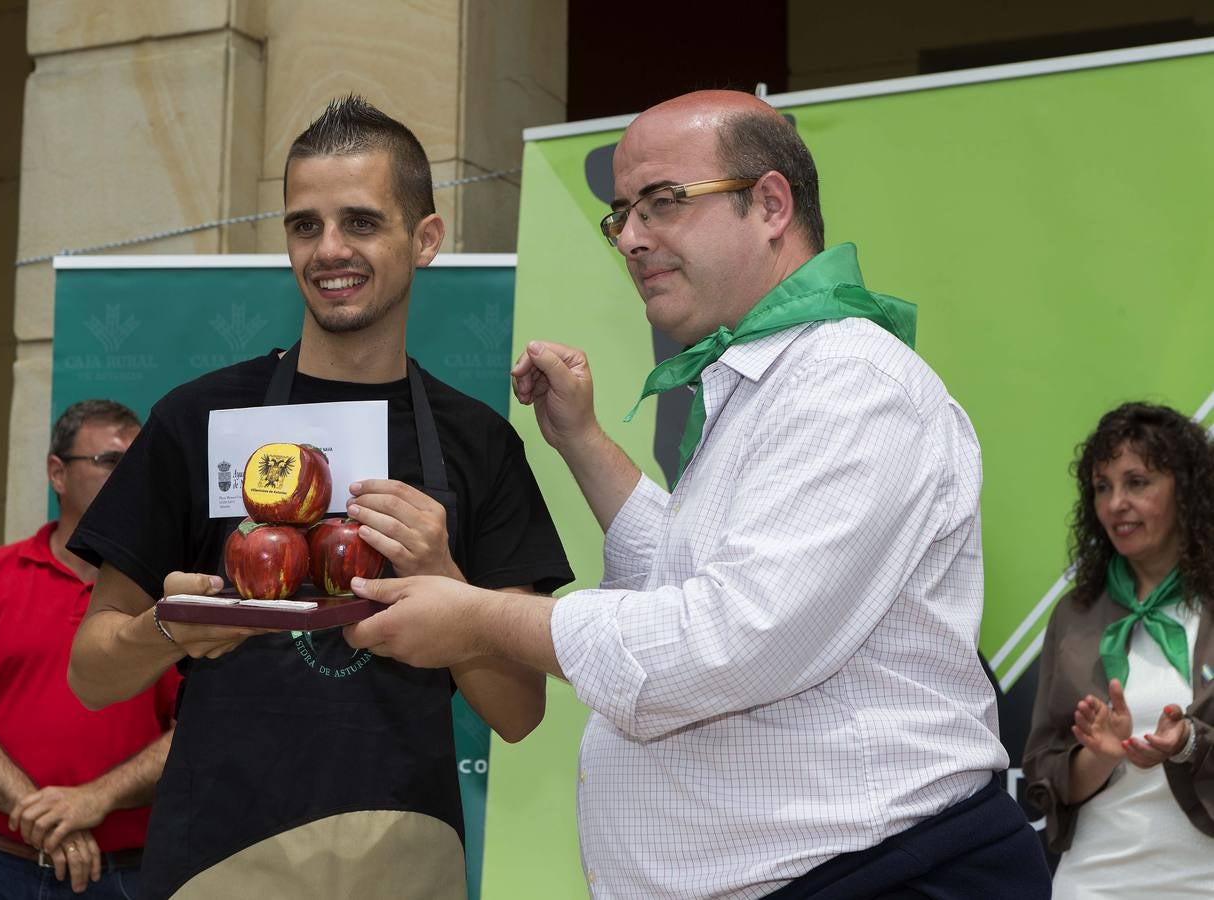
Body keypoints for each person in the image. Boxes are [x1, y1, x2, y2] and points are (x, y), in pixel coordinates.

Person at [341, 89, 1053, 898]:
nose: (632, 238)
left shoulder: (852, 383)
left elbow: (725, 640)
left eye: (663, 203)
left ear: (770, 204)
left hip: (883, 877)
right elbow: (687, 566)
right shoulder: (768, 378)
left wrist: (474, 615)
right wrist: (583, 440)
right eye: (620, 214)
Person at [64, 95, 572, 900]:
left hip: (403, 854)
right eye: (305, 225)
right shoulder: (199, 419)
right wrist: (169, 628)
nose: (329, 250)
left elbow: (520, 713)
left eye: (362, 222)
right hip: (217, 861)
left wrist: (449, 584)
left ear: (426, 238)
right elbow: (92, 675)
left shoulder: (479, 442)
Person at [0, 399, 177, 899]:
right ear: (57, 473)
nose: (129, 478)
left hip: (120, 875)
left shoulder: (169, 595)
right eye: (109, 462)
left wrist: (95, 799)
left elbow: (194, 730)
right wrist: (47, 814)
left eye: (138, 464)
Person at [1023, 402, 1214, 897]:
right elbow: (1043, 774)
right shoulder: (1075, 613)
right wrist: (1100, 757)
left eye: (1137, 482)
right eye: (1103, 487)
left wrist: (1190, 743)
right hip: (1094, 880)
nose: (1115, 504)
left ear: (1185, 490)